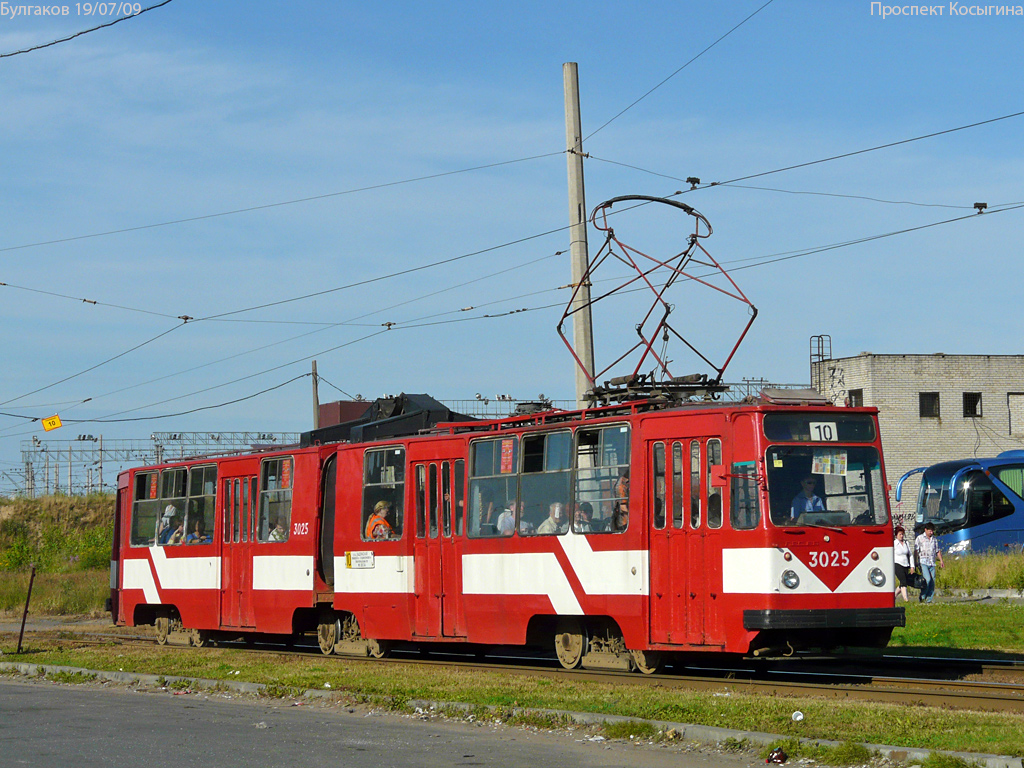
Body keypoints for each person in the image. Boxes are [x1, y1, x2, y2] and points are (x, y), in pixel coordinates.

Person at [914, 522, 944, 603]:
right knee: (927, 579)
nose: (931, 532)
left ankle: (929, 599)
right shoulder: (920, 538)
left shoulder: (934, 539)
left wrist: (941, 560)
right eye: (930, 531)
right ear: (925, 530)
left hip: (932, 562)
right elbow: (916, 551)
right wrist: (915, 561)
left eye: (932, 531)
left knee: (932, 581)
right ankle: (922, 596)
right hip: (923, 562)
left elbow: (937, 550)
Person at [892, 526, 915, 601]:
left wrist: (912, 566)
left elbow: (910, 555)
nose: (901, 536)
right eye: (900, 534)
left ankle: (893, 596)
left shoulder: (906, 543)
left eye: (902, 534)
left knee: (904, 582)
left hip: (905, 564)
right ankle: (906, 599)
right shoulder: (894, 543)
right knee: (903, 581)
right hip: (897, 564)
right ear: (896, 535)